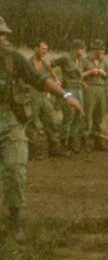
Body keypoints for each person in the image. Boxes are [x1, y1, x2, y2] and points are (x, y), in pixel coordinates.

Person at [0, 16, 83, 238]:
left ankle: (15, 219)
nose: (1, 38)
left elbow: (39, 80)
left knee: (16, 169)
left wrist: (65, 95)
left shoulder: (12, 58)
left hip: (9, 119)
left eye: (3, 35)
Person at [25, 39, 68, 158]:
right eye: (43, 49)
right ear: (36, 49)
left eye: (46, 49)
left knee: (51, 119)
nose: (45, 51)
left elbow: (48, 74)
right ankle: (31, 150)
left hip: (43, 94)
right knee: (33, 122)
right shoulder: (28, 64)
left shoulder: (43, 63)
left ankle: (54, 147)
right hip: (33, 93)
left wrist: (55, 80)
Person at [51, 39, 87, 155]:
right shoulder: (66, 58)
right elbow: (50, 65)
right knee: (68, 115)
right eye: (81, 49)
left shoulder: (81, 60)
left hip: (79, 89)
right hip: (69, 89)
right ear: (75, 49)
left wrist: (82, 82)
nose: (83, 51)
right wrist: (56, 79)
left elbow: (78, 74)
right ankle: (63, 144)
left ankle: (72, 143)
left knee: (78, 116)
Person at [82, 39, 108, 151]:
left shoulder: (103, 62)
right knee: (87, 114)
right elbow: (78, 75)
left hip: (101, 88)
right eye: (100, 49)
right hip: (90, 88)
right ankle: (83, 141)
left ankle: (97, 141)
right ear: (95, 50)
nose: (102, 51)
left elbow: (107, 75)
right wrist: (90, 72)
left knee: (99, 114)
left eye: (103, 49)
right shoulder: (85, 61)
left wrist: (104, 73)